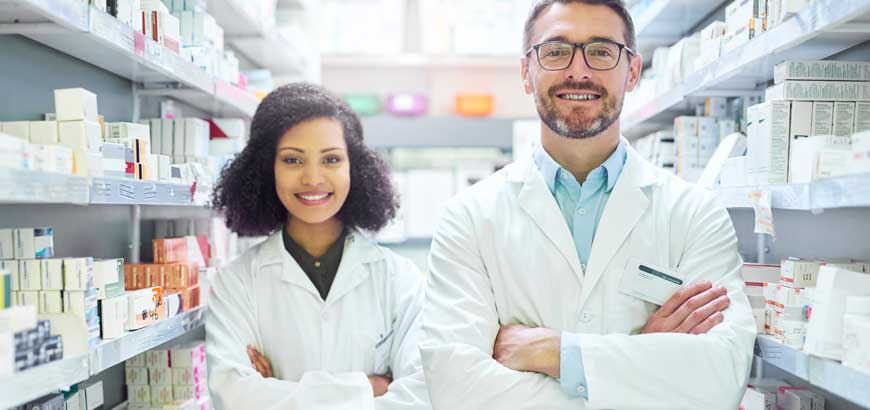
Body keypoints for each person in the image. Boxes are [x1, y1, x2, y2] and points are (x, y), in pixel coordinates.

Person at [418, 1, 757, 409]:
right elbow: (456, 390)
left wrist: (556, 353)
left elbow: (719, 378)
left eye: (600, 51)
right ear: (526, 72)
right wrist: (638, 366)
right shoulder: (468, 218)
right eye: (557, 51)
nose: (578, 71)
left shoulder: (695, 214)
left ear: (632, 72)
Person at [206, 83, 430, 410]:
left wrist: (278, 392)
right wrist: (372, 387)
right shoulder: (237, 283)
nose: (313, 178)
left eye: (331, 159)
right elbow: (234, 397)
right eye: (293, 160)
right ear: (267, 168)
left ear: (355, 167)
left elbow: (421, 396)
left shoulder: (399, 280)